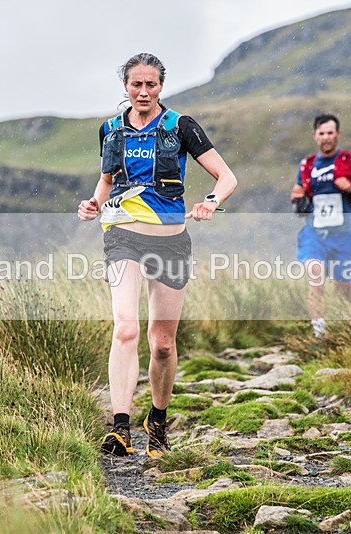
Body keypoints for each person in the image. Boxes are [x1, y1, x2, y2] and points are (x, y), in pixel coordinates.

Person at [77, 53, 237, 458]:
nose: (143, 92)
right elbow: (106, 181)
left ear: (161, 87)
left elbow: (227, 176)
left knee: (162, 343)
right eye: (136, 84)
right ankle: (119, 427)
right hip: (122, 238)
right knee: (126, 329)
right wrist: (93, 204)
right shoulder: (110, 130)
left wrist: (210, 202)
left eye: (151, 85)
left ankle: (158, 421)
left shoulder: (180, 126)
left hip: (171, 241)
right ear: (126, 87)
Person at [289, 114, 351, 338]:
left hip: (344, 234)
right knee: (315, 280)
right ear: (315, 135)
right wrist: (297, 196)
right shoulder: (307, 164)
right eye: (322, 133)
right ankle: (320, 336)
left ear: (337, 134)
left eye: (330, 133)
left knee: (342, 292)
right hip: (314, 234)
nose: (326, 137)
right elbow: (297, 191)